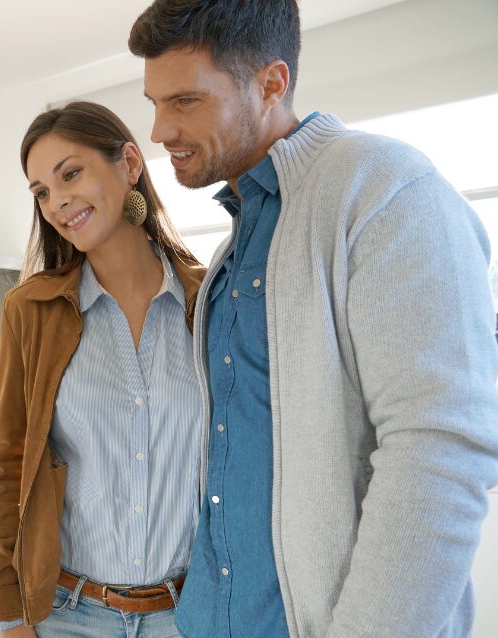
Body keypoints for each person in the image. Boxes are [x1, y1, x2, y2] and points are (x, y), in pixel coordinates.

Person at [127, 1, 498, 636]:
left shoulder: (383, 189)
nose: (159, 131)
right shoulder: (236, 245)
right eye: (154, 102)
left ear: (271, 84)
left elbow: (441, 451)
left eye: (185, 101)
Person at [0, 101, 207, 638]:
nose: (57, 201)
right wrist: (9, 615)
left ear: (130, 163)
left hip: (190, 616)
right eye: (40, 191)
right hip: (65, 615)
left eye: (70, 174)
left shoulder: (211, 299)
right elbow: (8, 467)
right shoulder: (30, 310)